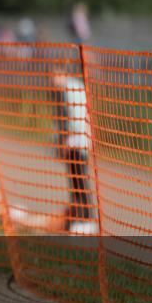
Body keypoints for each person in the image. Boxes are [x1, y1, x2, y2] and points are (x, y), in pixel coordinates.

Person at [53, 68, 98, 234]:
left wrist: (66, 140)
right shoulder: (67, 90)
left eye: (55, 76)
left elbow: (76, 120)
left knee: (80, 182)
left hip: (78, 143)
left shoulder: (72, 90)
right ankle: (79, 218)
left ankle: (87, 219)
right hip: (75, 143)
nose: (53, 81)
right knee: (75, 183)